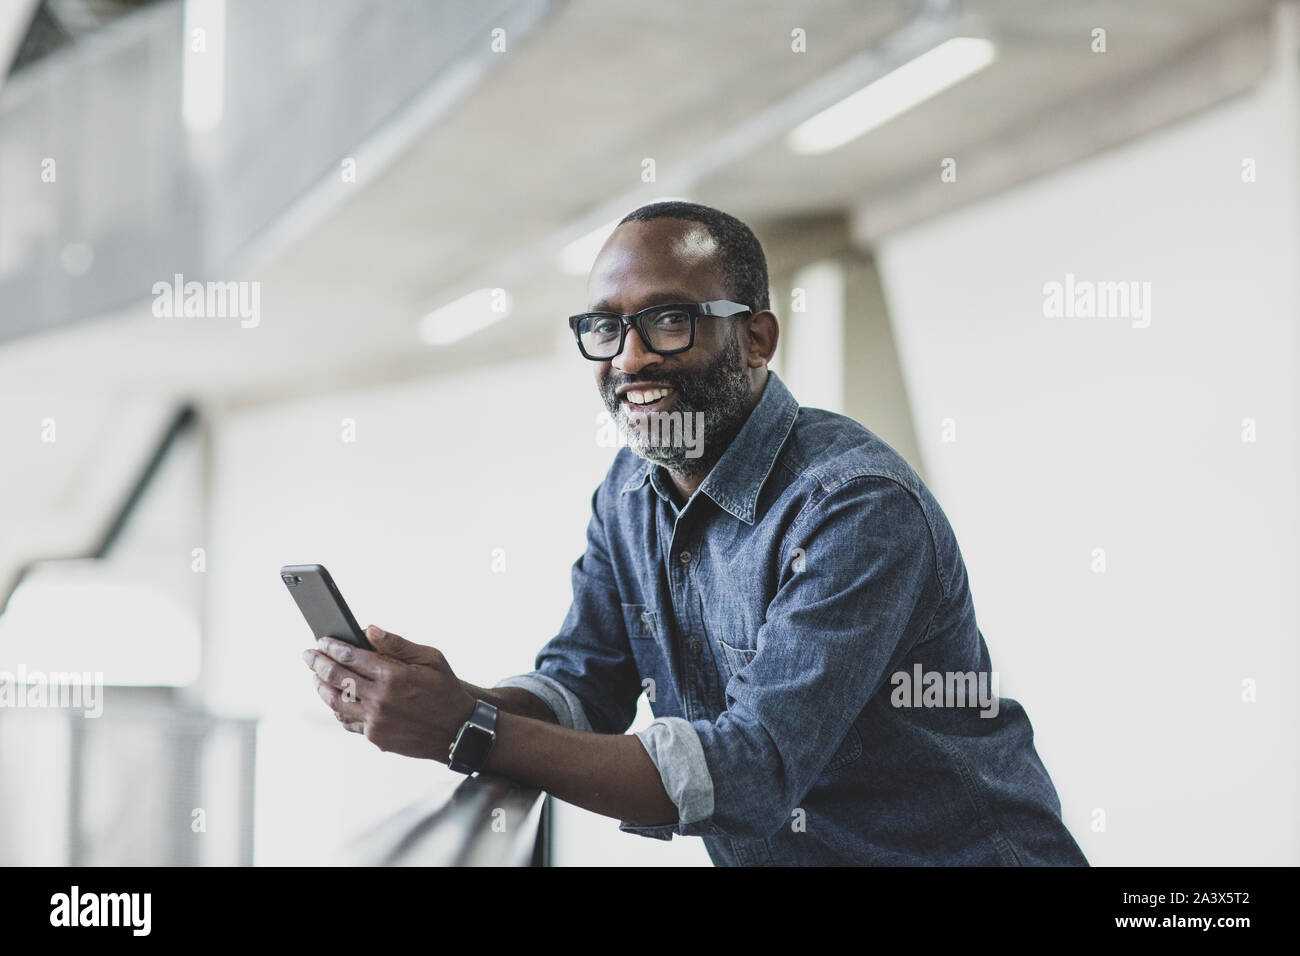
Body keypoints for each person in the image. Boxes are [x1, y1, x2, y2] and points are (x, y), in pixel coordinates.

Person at [304, 200, 1088, 866]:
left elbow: (749, 768)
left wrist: (470, 731)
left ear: (757, 338)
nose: (632, 357)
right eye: (605, 329)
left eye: (669, 321)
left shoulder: (854, 505)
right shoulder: (628, 493)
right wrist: (441, 702)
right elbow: (585, 682)